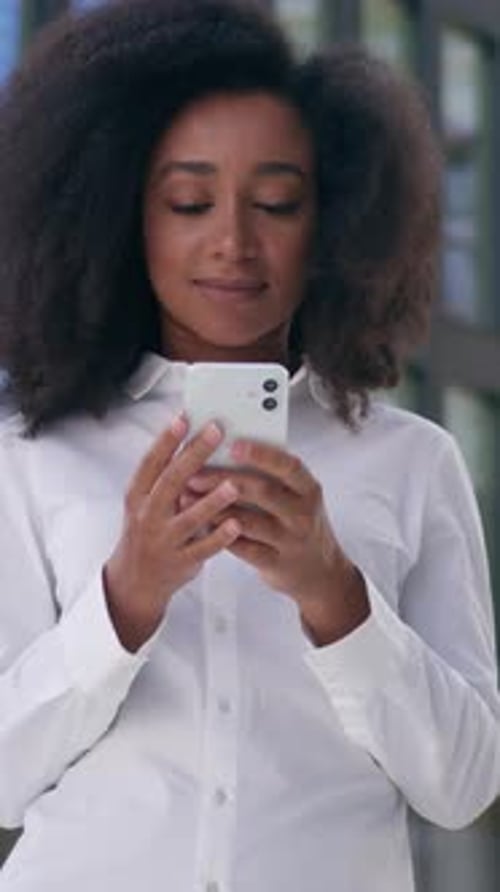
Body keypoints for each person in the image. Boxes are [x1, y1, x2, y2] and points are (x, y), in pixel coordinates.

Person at [0, 1, 498, 890]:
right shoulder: (34, 457)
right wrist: (126, 598)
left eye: (276, 202)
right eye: (189, 201)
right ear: (122, 214)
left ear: (337, 221)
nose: (234, 241)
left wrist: (334, 595)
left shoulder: (412, 462)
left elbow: (463, 788)